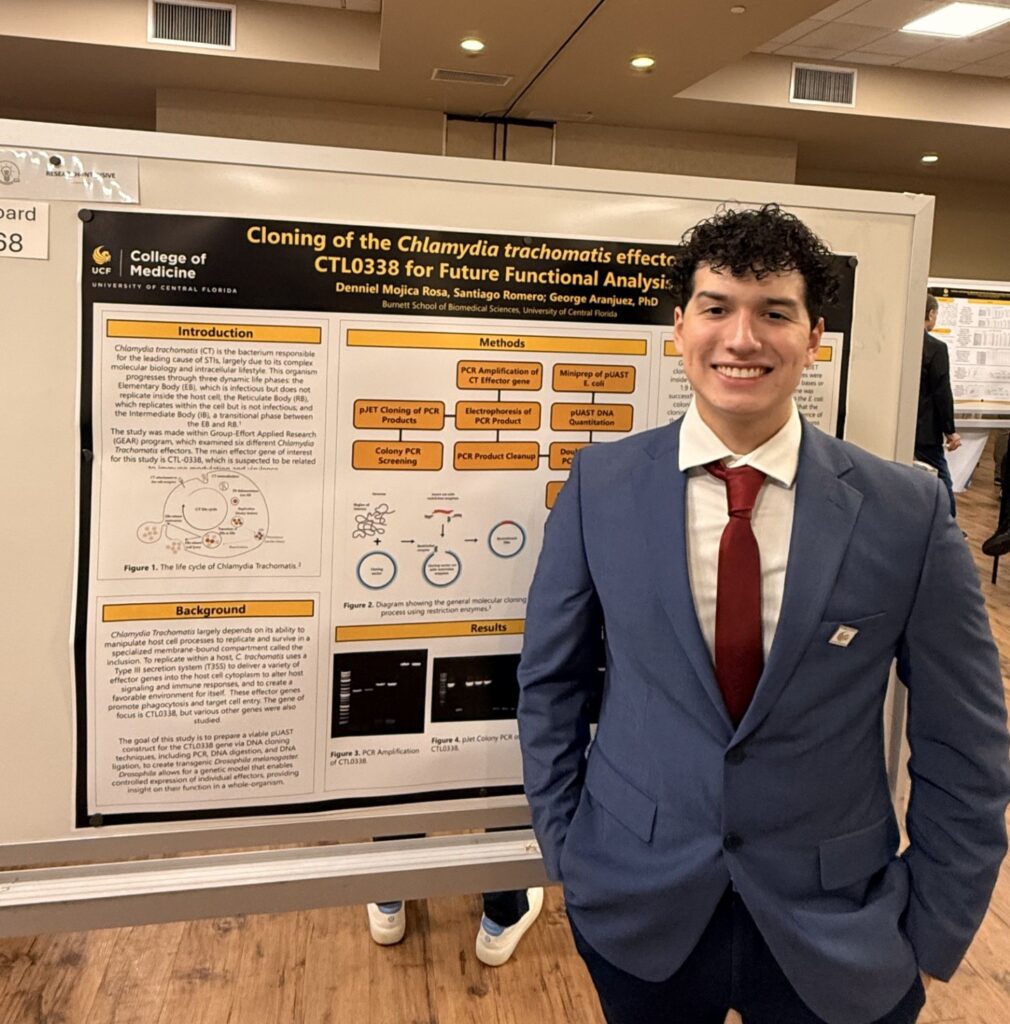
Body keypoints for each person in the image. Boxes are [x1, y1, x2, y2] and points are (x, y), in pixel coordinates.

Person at [517, 204, 1010, 1024]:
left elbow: (967, 739)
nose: (742, 338)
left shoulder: (904, 511)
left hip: (841, 927)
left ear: (814, 337)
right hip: (637, 905)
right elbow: (550, 683)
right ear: (681, 326)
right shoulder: (601, 487)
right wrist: (569, 850)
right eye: (717, 307)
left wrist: (935, 928)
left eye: (774, 312)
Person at [914, 294, 960, 517]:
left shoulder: (901, 344)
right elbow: (942, 391)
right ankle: (948, 525)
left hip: (902, 428)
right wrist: (950, 430)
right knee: (942, 481)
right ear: (930, 314)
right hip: (926, 430)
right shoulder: (936, 348)